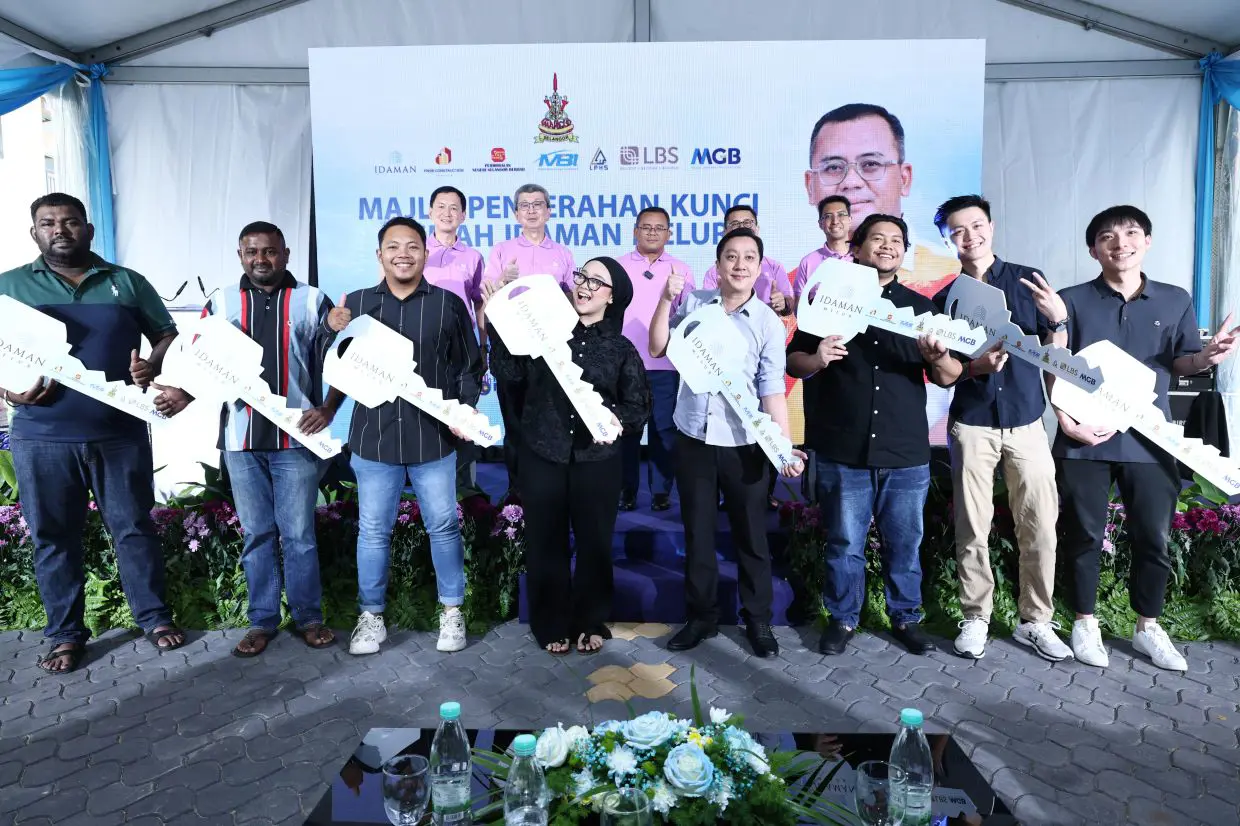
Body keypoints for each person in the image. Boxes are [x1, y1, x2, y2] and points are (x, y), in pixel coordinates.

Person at [0, 193, 187, 673]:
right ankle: (65, 636)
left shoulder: (126, 281)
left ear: (89, 229)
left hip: (119, 431)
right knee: (53, 537)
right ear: (34, 233)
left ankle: (154, 618)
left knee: (134, 528)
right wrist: (7, 391)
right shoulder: (9, 286)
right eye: (48, 223)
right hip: (42, 436)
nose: (59, 230)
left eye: (70, 221)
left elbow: (166, 334)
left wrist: (152, 365)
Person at [1051, 205, 1239, 672]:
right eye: (1108, 236)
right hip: (1085, 437)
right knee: (1083, 534)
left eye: (1132, 233)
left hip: (1150, 439)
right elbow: (1052, 363)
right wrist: (1065, 420)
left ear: (1147, 241)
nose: (1121, 244)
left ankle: (1147, 626)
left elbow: (1183, 362)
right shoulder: (1069, 300)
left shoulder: (1174, 299)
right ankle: (1084, 622)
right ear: (1093, 249)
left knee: (1153, 537)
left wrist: (1207, 357)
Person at [786, 214, 960, 657]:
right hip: (843, 448)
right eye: (877, 238)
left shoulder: (921, 309)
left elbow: (948, 375)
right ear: (857, 248)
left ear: (904, 252)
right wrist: (818, 357)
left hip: (905, 450)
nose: (887, 246)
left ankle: (906, 618)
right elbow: (794, 363)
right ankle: (843, 618)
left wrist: (937, 357)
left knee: (905, 544)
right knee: (845, 544)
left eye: (896, 240)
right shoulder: (829, 299)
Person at [326, 217, 485, 656]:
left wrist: (464, 410)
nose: (403, 254)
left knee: (443, 527)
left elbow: (469, 366)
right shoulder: (356, 304)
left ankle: (452, 611)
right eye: (393, 246)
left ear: (426, 253)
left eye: (412, 246)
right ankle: (371, 616)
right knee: (373, 531)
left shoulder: (448, 304)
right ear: (379, 255)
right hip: (374, 439)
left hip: (433, 439)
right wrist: (329, 328)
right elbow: (332, 363)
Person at [650, 228, 806, 658]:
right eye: (731, 257)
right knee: (698, 532)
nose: (739, 265)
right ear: (717, 266)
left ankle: (757, 619)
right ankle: (701, 616)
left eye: (749, 257)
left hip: (744, 442)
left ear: (760, 268)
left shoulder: (768, 322)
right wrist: (665, 299)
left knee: (751, 534)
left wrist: (782, 447)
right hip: (694, 437)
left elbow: (771, 388)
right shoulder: (695, 304)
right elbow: (658, 347)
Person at [931, 195, 1073, 663]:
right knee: (972, 525)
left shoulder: (1028, 281)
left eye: (976, 226)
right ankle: (976, 616)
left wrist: (1058, 320)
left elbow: (1055, 350)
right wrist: (974, 366)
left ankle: (1037, 621)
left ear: (990, 227)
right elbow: (944, 374)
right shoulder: (943, 299)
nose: (969, 236)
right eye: (957, 230)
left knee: (1040, 524)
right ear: (947, 240)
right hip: (972, 422)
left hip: (1027, 420)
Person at [190, 221, 342, 657]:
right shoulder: (220, 302)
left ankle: (309, 618)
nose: (261, 259)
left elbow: (340, 360)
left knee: (298, 534)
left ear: (286, 254)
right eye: (252, 252)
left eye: (270, 251)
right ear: (240, 255)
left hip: (297, 440)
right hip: (241, 440)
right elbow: (196, 361)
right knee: (257, 533)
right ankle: (262, 621)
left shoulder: (312, 300)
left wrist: (329, 408)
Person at [487, 257, 649, 654]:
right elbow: (510, 375)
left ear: (612, 297)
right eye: (582, 276)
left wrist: (610, 418)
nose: (584, 285)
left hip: (597, 460)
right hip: (543, 452)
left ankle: (590, 620)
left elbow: (639, 407)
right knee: (545, 542)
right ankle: (550, 623)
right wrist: (498, 324)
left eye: (597, 281)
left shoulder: (621, 348)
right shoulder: (545, 333)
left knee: (595, 543)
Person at [802, 103, 957, 297]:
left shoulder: (951, 277)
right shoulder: (800, 283)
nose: (851, 182)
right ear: (810, 186)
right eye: (833, 167)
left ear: (904, 178)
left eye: (870, 164)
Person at [483, 184, 574, 496]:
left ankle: (549, 490)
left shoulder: (563, 254)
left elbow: (572, 300)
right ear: (515, 213)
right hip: (511, 351)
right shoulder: (502, 251)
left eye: (538, 204)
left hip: (550, 351)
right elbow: (488, 297)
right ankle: (517, 494)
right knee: (515, 424)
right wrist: (502, 281)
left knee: (550, 422)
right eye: (525, 205)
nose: (532, 210)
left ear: (549, 211)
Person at [615, 206, 693, 512]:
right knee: (627, 432)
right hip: (625, 364)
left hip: (665, 364)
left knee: (663, 431)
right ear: (635, 231)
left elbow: (689, 316)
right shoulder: (617, 267)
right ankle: (626, 491)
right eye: (646, 227)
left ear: (669, 234)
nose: (652, 232)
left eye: (659, 228)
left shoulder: (680, 270)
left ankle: (661, 492)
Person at [424, 185, 486, 489]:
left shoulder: (473, 257)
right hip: (422, 344)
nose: (447, 213)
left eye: (454, 208)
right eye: (441, 206)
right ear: (430, 212)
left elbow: (480, 303)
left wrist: (484, 346)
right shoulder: (416, 251)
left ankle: (465, 493)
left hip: (462, 346)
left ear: (463, 215)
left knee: (463, 414)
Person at [702, 205, 792, 317]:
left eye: (747, 223)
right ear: (725, 231)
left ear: (757, 229)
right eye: (735, 224)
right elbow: (706, 308)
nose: (741, 228)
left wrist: (784, 303)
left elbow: (790, 303)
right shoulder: (714, 272)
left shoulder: (774, 267)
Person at [792, 195, 854, 309]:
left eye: (841, 214)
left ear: (850, 220)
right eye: (828, 216)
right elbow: (798, 307)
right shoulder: (808, 262)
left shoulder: (864, 257)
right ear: (820, 223)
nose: (835, 221)